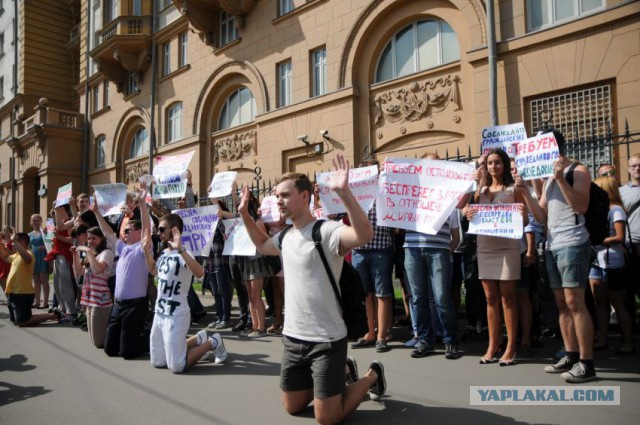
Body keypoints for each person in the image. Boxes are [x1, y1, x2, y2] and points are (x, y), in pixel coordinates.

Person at [238, 154, 386, 425]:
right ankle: (342, 371)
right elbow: (262, 245)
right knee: (292, 406)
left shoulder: (326, 231)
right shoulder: (285, 236)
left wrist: (344, 193)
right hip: (293, 339)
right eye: (276, 195)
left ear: (305, 197)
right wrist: (244, 215)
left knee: (326, 418)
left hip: (326, 340)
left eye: (284, 195)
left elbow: (364, 235)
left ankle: (371, 375)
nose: (278, 201)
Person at [522, 130, 597, 383]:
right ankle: (571, 354)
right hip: (553, 245)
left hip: (573, 243)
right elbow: (541, 217)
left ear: (554, 147)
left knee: (575, 302)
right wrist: (528, 190)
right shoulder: (547, 180)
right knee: (561, 303)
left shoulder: (578, 171)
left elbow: (581, 206)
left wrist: (560, 179)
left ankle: (586, 363)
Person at [142, 213, 228, 373]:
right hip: (160, 314)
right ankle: (198, 339)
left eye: (161, 229)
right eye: (157, 229)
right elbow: (154, 271)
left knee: (176, 366)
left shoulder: (183, 254)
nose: (158, 233)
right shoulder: (163, 254)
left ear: (173, 230)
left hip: (176, 315)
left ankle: (212, 342)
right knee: (158, 361)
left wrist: (180, 249)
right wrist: (147, 251)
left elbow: (200, 272)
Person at [465, 148, 526, 366]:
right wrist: (467, 211)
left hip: (508, 248)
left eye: (497, 162)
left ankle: (511, 347)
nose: (493, 166)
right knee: (490, 298)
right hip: (485, 247)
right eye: (490, 163)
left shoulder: (513, 188)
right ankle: (493, 344)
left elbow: (525, 220)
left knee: (508, 298)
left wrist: (520, 215)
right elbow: (464, 208)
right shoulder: (479, 189)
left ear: (504, 164)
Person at [404, 153, 462, 360]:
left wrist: (447, 250)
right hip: (412, 249)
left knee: (441, 297)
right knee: (418, 298)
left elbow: (456, 234)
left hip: (438, 250)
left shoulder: (449, 195)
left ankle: (450, 341)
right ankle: (425, 341)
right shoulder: (410, 193)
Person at [96, 186, 152, 360]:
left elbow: (147, 229)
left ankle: (152, 339)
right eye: (124, 230)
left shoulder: (143, 248)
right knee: (110, 350)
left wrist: (142, 204)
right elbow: (107, 232)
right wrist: (97, 212)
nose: (124, 233)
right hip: (118, 305)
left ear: (137, 232)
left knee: (128, 353)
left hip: (135, 306)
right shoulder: (123, 248)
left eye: (127, 231)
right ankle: (131, 338)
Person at [589, 176, 634, 354]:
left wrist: (599, 240)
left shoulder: (616, 210)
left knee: (617, 301)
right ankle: (602, 339)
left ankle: (628, 343)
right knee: (599, 302)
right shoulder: (599, 210)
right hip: (596, 261)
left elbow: (620, 237)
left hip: (612, 261)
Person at [1, 232, 60, 326]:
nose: (12, 244)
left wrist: (15, 241)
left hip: (22, 294)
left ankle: (53, 316)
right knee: (16, 320)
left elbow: (27, 258)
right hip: (13, 294)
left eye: (15, 242)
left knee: (22, 322)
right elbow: (5, 257)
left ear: (23, 242)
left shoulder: (29, 253)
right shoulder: (16, 255)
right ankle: (52, 314)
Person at [72, 227, 114, 348]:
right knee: (93, 340)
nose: (90, 241)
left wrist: (88, 252)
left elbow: (97, 270)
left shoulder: (107, 253)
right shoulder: (91, 253)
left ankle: (116, 341)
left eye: (94, 238)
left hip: (101, 300)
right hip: (90, 299)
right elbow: (78, 272)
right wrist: (74, 255)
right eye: (89, 238)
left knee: (98, 342)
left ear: (102, 238)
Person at [619, 153, 640, 329]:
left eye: (639, 165)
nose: (637, 168)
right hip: (629, 243)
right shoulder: (622, 191)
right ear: (628, 169)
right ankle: (630, 329)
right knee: (628, 291)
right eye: (634, 166)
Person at [29, 215, 50, 309]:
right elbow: (28, 246)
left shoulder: (45, 232)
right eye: (34, 220)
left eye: (37, 220)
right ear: (31, 222)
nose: (36, 222)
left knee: (43, 279)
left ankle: (45, 302)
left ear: (41, 221)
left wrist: (44, 247)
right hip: (34, 258)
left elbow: (51, 243)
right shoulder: (29, 234)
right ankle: (36, 301)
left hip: (43, 257)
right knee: (36, 280)